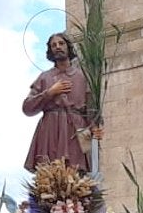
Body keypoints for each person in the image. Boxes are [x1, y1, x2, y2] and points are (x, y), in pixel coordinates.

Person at [22, 32, 101, 173]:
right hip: (51, 130)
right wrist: (50, 92)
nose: (57, 47)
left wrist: (95, 128)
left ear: (68, 47)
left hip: (75, 130)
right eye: (53, 45)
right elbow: (27, 107)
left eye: (61, 43)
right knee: (50, 174)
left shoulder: (82, 77)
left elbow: (90, 110)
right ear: (50, 51)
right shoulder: (45, 77)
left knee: (77, 174)